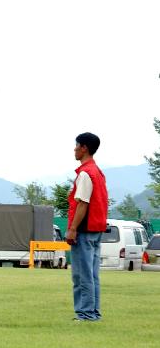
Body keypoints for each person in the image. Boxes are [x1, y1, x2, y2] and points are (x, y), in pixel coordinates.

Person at [66, 132, 108, 322]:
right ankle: (93, 312)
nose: (74, 149)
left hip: (84, 230)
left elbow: (82, 203)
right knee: (92, 275)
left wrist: (73, 228)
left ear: (84, 148)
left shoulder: (85, 173)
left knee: (81, 276)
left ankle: (85, 314)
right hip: (96, 230)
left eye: (76, 145)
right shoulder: (98, 172)